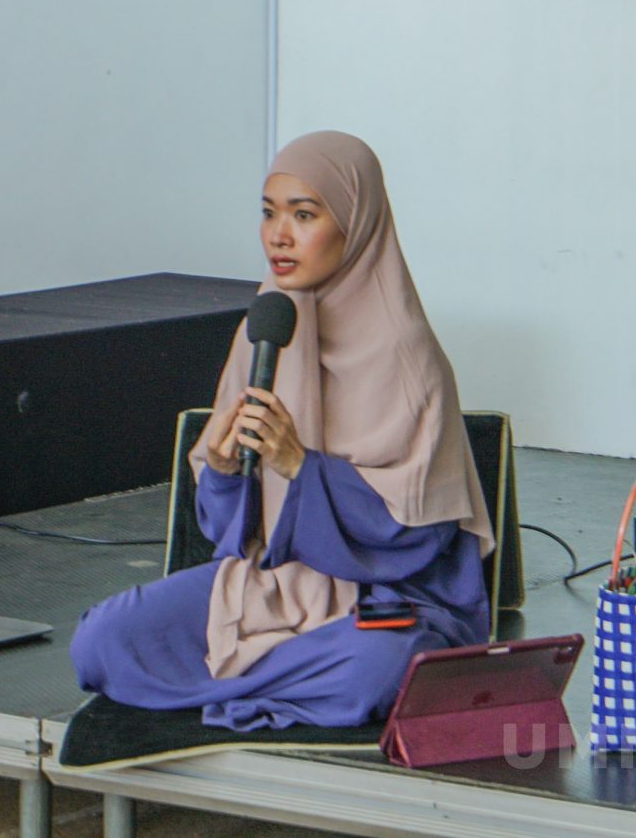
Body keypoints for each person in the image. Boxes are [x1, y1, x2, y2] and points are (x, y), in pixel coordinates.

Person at [69, 131, 494, 730]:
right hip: (270, 584)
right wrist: (223, 472)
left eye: (304, 215)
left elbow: (416, 539)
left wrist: (300, 467)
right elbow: (229, 535)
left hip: (386, 599)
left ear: (356, 224)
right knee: (99, 642)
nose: (278, 235)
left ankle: (228, 680)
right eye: (268, 213)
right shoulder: (266, 329)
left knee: (379, 666)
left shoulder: (409, 359)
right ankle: (277, 685)